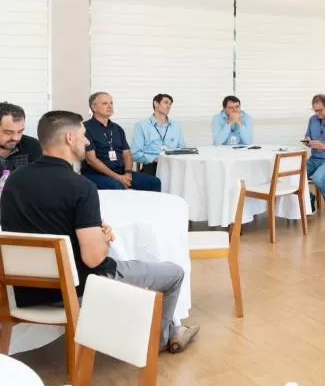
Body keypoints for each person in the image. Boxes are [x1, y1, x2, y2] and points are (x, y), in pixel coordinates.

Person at [0, 110, 199, 353]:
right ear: (70, 138)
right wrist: (104, 238)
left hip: (26, 292)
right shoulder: (81, 187)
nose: (87, 141)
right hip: (76, 289)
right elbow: (93, 259)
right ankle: (159, 341)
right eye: (84, 136)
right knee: (174, 273)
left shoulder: (13, 181)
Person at [82, 92, 161, 191]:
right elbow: (91, 159)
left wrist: (127, 173)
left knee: (154, 182)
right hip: (96, 173)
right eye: (105, 103)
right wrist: (117, 177)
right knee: (117, 186)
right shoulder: (85, 128)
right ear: (93, 107)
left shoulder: (117, 128)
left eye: (111, 103)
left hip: (121, 172)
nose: (110, 106)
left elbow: (127, 153)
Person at [131, 94, 186, 176]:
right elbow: (135, 153)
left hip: (173, 165)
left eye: (170, 104)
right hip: (152, 165)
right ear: (156, 103)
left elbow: (182, 149)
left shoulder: (176, 127)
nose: (168, 106)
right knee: (153, 180)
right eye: (166, 102)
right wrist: (154, 159)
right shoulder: (141, 126)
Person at [0, 101, 42, 178]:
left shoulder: (32, 145)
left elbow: (39, 179)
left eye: (20, 131)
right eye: (8, 132)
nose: (16, 138)